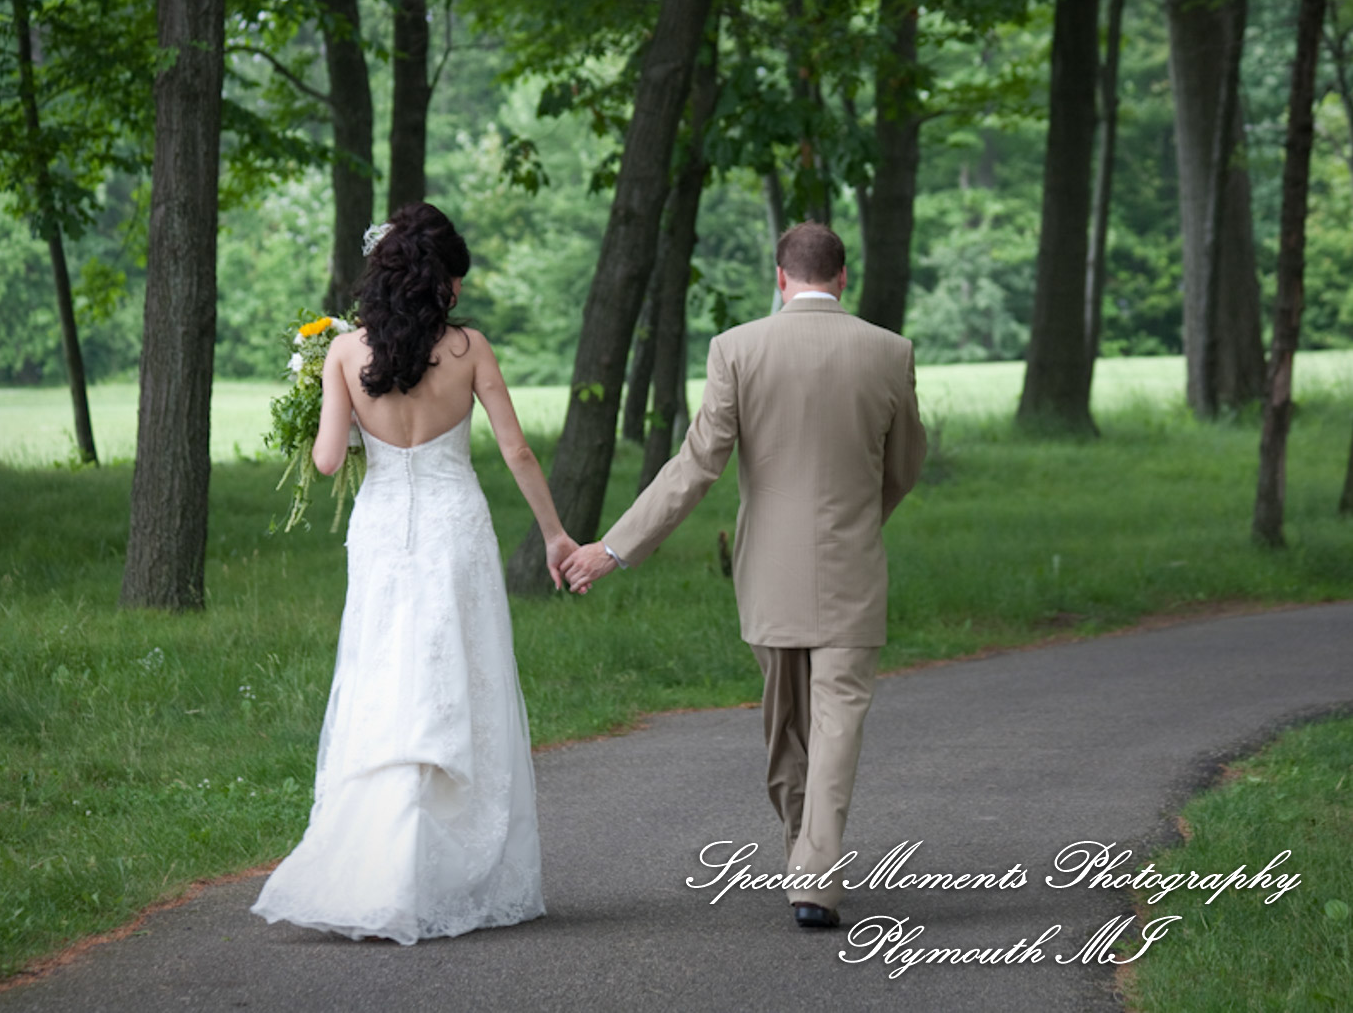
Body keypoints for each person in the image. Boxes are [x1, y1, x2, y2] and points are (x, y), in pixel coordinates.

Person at [561, 221, 926, 931]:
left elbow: (697, 465)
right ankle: (808, 860)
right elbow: (905, 461)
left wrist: (616, 547)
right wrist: (860, 519)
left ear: (781, 278)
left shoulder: (737, 349)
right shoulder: (890, 351)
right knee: (837, 721)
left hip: (769, 573)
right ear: (842, 278)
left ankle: (813, 872)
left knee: (786, 724)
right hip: (853, 567)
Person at [251, 202, 578, 945]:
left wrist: (328, 409)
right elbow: (518, 452)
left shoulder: (343, 353)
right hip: (454, 528)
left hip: (382, 533)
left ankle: (377, 862)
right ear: (443, 285)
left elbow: (329, 460)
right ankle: (447, 866)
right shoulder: (469, 351)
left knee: (385, 678)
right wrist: (555, 535)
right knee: (457, 679)